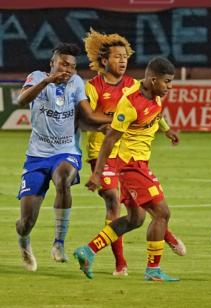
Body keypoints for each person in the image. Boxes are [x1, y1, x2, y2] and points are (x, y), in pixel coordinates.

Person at [83, 29, 185, 276]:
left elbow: (154, 114)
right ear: (105, 60)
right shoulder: (103, 90)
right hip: (114, 158)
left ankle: (89, 250)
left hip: (132, 161)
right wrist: (96, 172)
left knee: (136, 218)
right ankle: (148, 267)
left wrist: (166, 129)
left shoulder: (142, 89)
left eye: (125, 56)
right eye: (117, 56)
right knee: (157, 211)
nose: (123, 60)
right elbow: (89, 121)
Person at [15, 43, 111, 271]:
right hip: (36, 157)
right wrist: (47, 81)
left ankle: (58, 243)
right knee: (26, 222)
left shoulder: (77, 83)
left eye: (72, 67)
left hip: (66, 151)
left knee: (63, 179)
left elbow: (86, 114)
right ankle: (24, 241)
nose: (68, 70)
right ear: (52, 63)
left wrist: (110, 122)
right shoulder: (37, 77)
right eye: (63, 64)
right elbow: (21, 101)